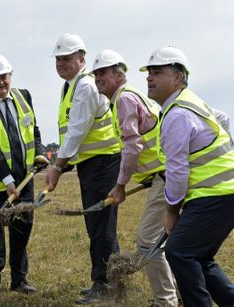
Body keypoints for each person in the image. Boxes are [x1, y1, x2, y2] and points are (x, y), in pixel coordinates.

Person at [141, 46, 234, 306]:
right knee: (199, 257)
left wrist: (171, 211)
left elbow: (178, 171)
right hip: (223, 194)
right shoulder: (191, 103)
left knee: (179, 252)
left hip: (214, 196)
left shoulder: (177, 114)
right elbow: (223, 119)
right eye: (148, 73)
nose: (149, 78)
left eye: (157, 72)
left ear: (178, 77)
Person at [92, 49, 179, 307]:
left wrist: (120, 186)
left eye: (103, 72)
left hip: (167, 176)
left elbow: (133, 146)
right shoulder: (130, 96)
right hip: (162, 175)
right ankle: (175, 293)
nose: (98, 78)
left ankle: (165, 301)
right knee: (166, 239)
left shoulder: (124, 100)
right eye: (95, 74)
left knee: (147, 240)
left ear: (119, 75)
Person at [44, 34, 121, 305]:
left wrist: (57, 166)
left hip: (103, 163)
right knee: (100, 223)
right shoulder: (71, 86)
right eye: (58, 59)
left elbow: (77, 130)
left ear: (82, 59)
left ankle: (105, 284)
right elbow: (74, 132)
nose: (61, 63)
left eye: (67, 58)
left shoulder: (85, 87)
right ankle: (112, 280)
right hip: (92, 164)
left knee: (100, 225)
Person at [0, 53, 48, 301]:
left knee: (23, 227)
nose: (0, 82)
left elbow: (32, 127)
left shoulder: (25, 97)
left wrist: (38, 153)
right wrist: (6, 180)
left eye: (3, 76)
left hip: (25, 178)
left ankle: (19, 279)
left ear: (10, 75)